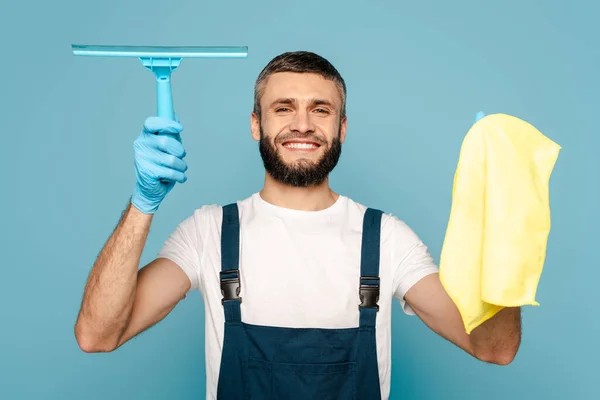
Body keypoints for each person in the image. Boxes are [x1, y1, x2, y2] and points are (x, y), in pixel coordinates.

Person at [74, 51, 522, 399]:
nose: (302, 124)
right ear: (256, 124)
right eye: (284, 108)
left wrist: (500, 224)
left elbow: (493, 347)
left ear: (342, 127)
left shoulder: (386, 239)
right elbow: (98, 334)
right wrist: (143, 202)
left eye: (321, 110)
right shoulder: (209, 232)